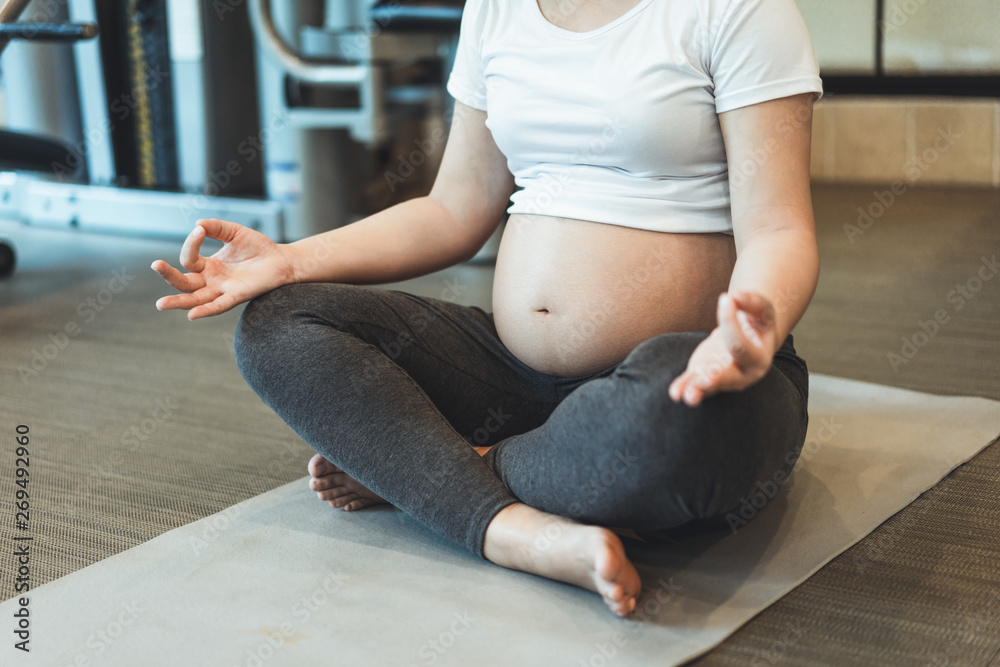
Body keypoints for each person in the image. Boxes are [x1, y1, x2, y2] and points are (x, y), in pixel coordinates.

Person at [152, 0, 821, 618]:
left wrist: (749, 329)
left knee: (673, 429)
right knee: (278, 325)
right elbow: (455, 208)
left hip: (692, 369)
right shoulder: (496, 7)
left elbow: (781, 231)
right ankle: (511, 528)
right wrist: (290, 260)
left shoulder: (737, 8)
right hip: (513, 375)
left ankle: (446, 470)